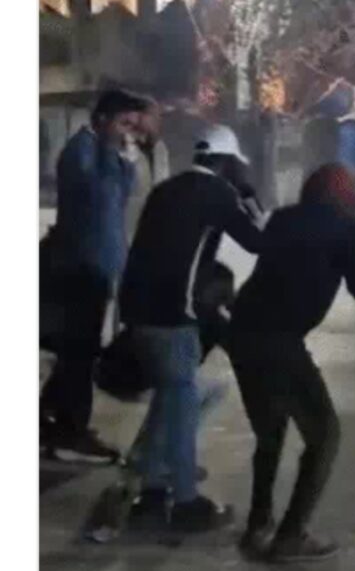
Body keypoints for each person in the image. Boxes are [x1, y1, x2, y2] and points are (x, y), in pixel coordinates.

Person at [119, 124, 262, 532]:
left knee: (170, 402)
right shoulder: (218, 194)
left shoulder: (166, 190)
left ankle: (151, 495)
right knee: (180, 409)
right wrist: (249, 195)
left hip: (138, 313)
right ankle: (185, 503)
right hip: (173, 315)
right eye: (237, 165)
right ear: (226, 162)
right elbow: (258, 241)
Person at [228, 164, 355, 561]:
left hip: (241, 331)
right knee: (325, 435)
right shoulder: (348, 228)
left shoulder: (284, 218)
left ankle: (259, 524)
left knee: (270, 432)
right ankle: (291, 535)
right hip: (279, 340)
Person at [40, 89, 149, 462]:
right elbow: (99, 198)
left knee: (80, 350)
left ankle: (52, 417)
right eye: (123, 124)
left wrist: (125, 161)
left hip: (99, 267)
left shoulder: (105, 151)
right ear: (102, 119)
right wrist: (112, 155)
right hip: (80, 267)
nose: (127, 133)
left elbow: (122, 196)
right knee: (80, 351)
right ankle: (70, 427)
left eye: (132, 126)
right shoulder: (81, 151)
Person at [124, 97, 170, 242]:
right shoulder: (122, 146)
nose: (158, 121)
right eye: (153, 115)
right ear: (137, 116)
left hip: (155, 226)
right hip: (127, 228)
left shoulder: (161, 148)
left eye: (159, 116)